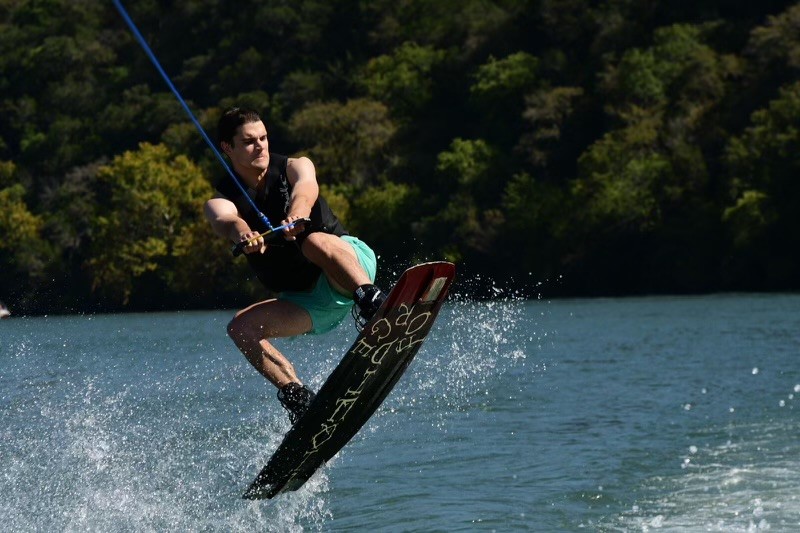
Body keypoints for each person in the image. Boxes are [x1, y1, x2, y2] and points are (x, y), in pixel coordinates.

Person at [204, 107, 386, 424]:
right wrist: (242, 233)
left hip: (346, 269)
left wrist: (296, 213)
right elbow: (224, 219)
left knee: (313, 241)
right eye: (248, 141)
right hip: (309, 302)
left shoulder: (294, 166)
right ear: (227, 148)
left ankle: (372, 300)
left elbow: (307, 187)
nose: (260, 145)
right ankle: (298, 398)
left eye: (263, 138)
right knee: (240, 328)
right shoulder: (221, 198)